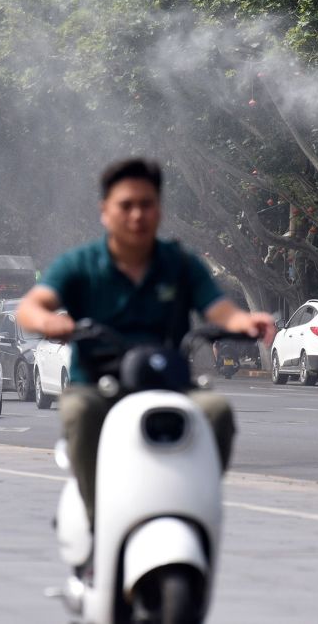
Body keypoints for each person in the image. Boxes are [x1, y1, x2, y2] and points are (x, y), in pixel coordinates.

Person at [16, 158, 275, 526]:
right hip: (100, 386)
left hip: (168, 385)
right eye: (126, 205)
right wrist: (49, 322)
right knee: (78, 411)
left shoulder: (181, 265)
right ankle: (95, 518)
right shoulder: (80, 264)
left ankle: (195, 505)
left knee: (216, 411)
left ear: (159, 209)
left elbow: (219, 310)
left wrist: (244, 320)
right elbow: (30, 307)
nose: (137, 215)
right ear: (105, 211)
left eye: (147, 204)